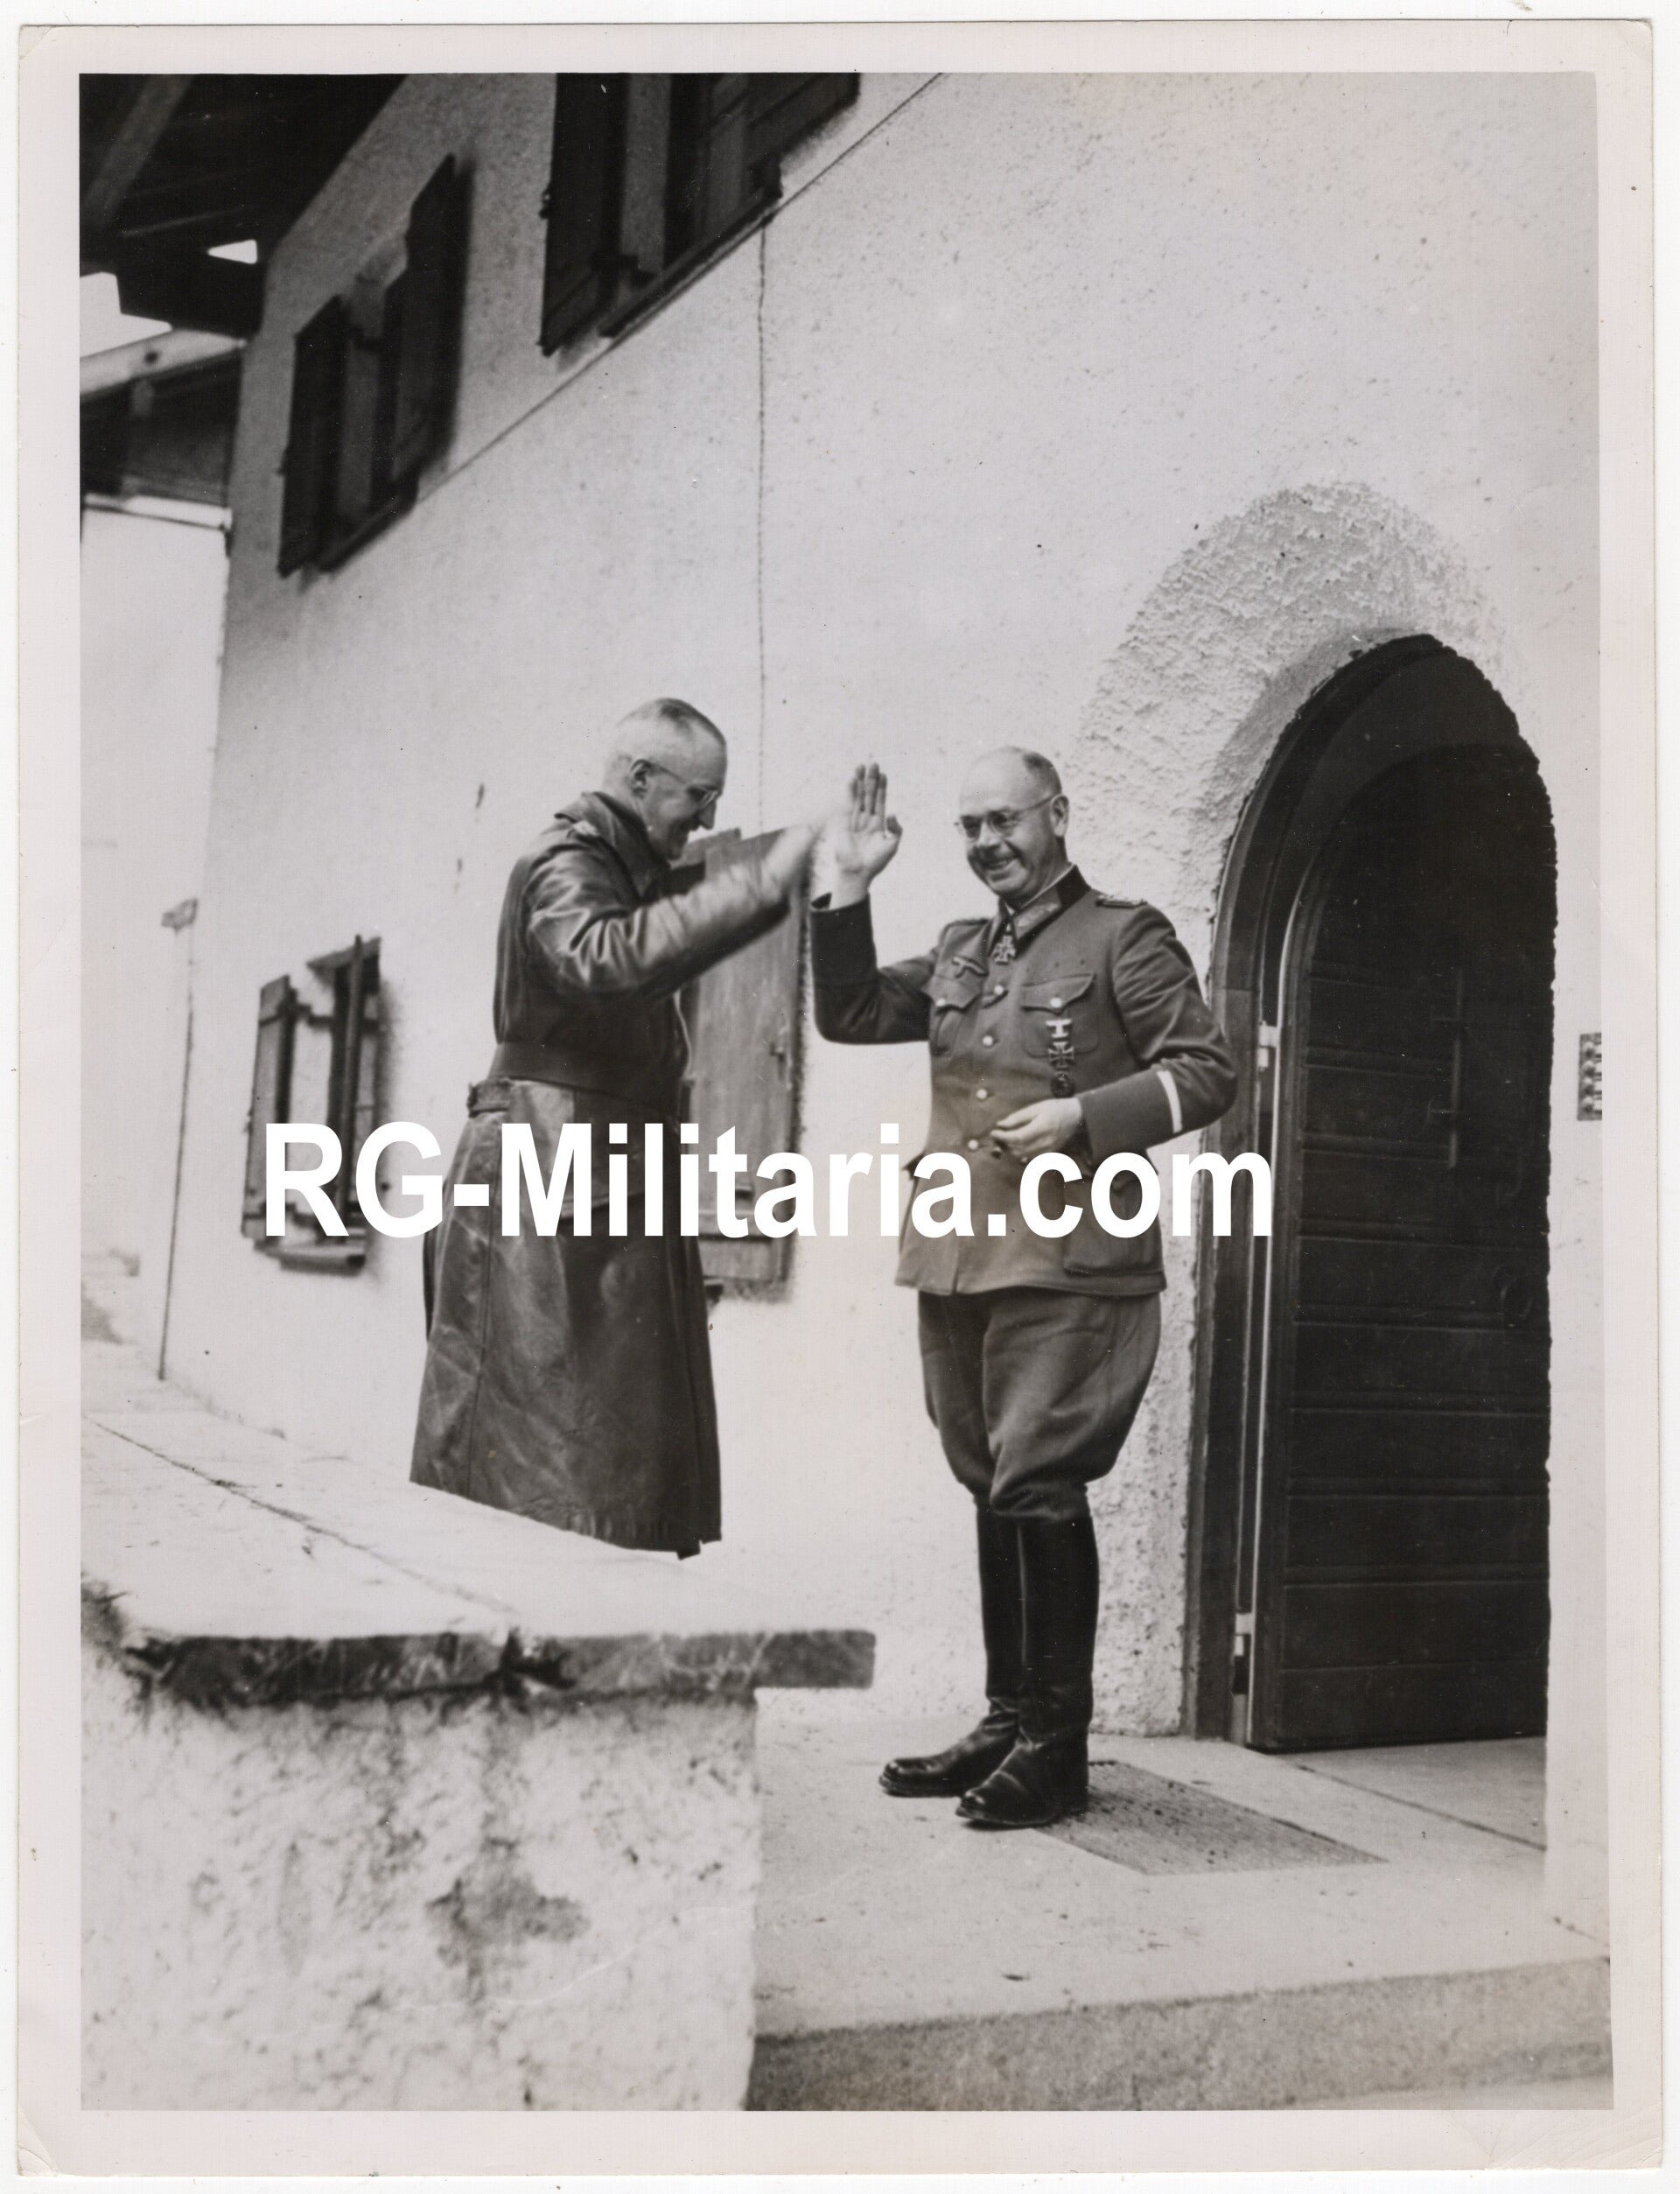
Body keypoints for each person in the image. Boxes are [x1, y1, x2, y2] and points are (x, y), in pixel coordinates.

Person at [809, 752, 1237, 1826]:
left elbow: (1207, 1068)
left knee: (1040, 1480)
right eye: (968, 827)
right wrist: (850, 889)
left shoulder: (1123, 936)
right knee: (988, 1476)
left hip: (1070, 1257)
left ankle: (1057, 1746)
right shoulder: (963, 947)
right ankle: (1009, 1716)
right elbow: (852, 1011)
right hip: (960, 1251)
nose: (987, 840)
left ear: (1057, 814)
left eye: (1005, 819)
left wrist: (1084, 1117)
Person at [411, 698, 816, 1555]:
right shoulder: (566, 862)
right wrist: (758, 884)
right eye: (697, 796)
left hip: (577, 1184)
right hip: (551, 1187)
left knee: (585, 1473)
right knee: (544, 1482)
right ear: (639, 779)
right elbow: (604, 958)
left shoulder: (611, 868)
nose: (708, 818)